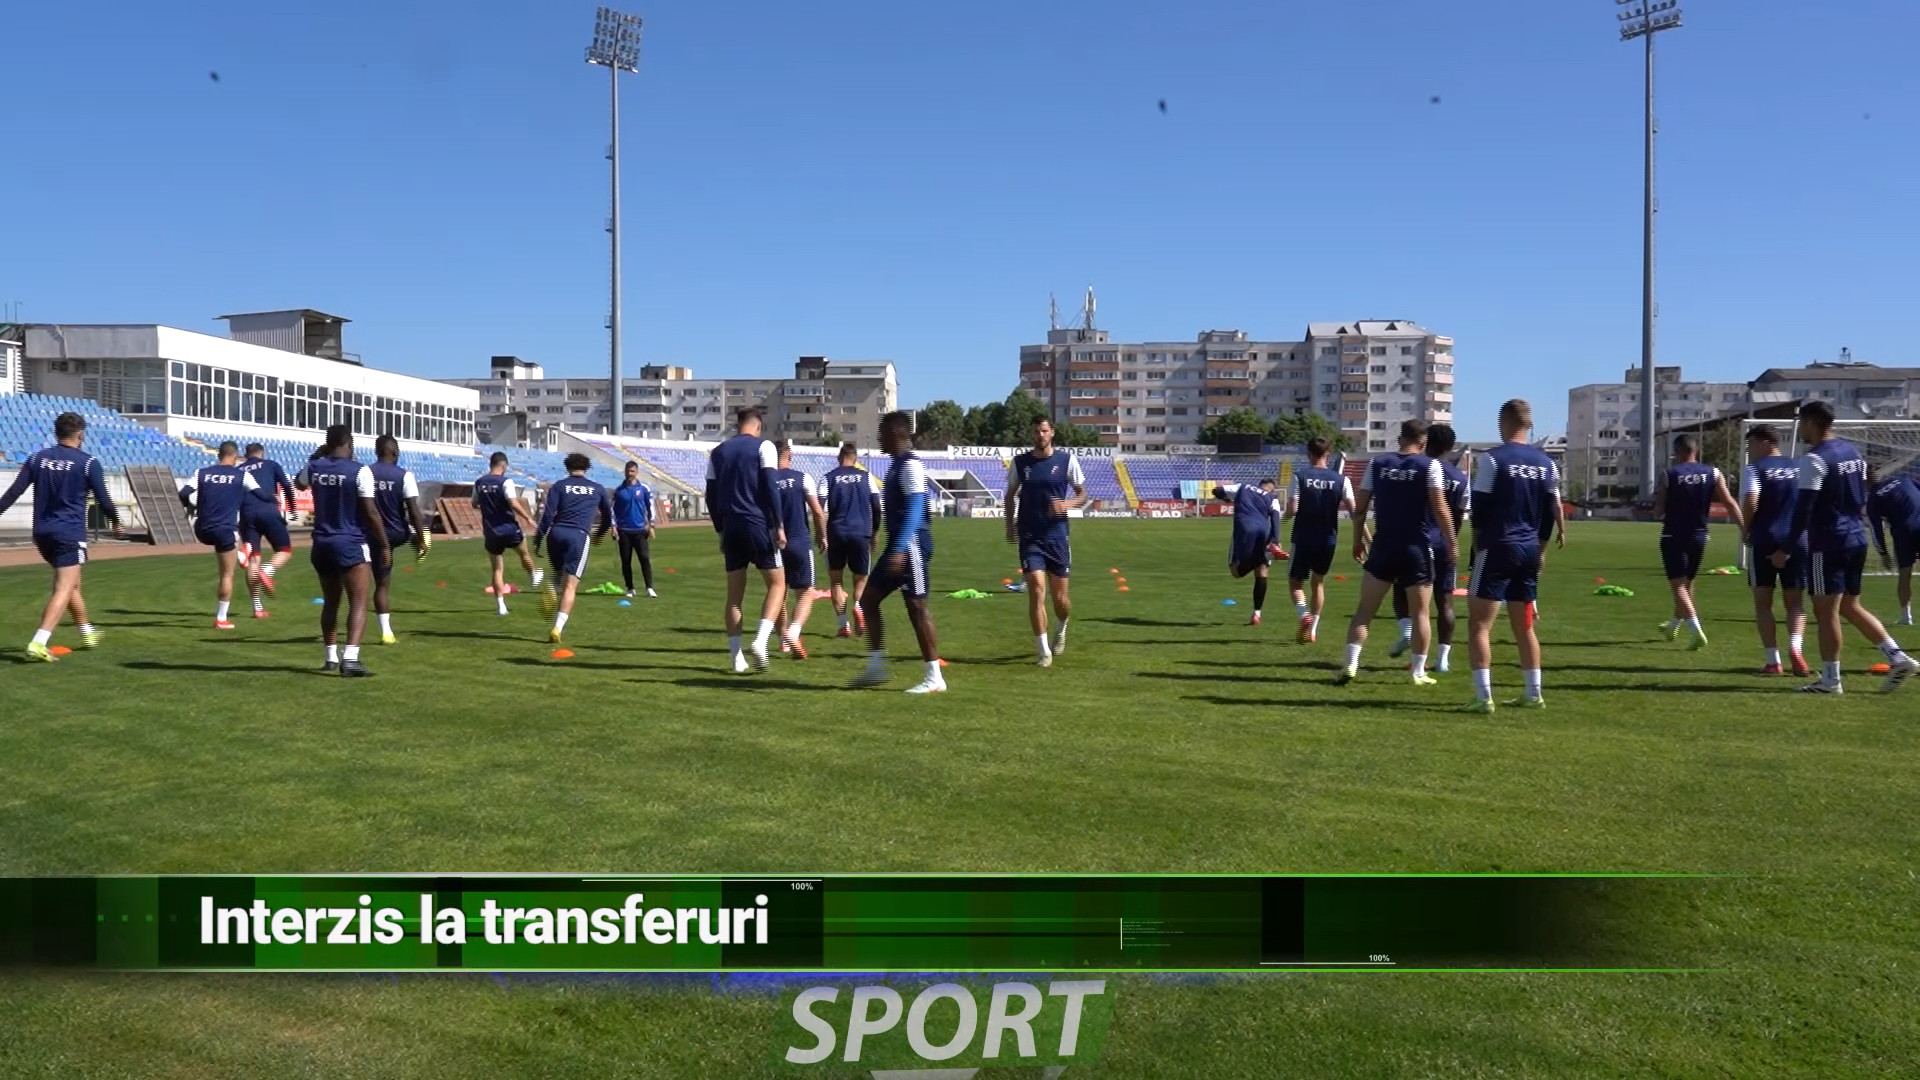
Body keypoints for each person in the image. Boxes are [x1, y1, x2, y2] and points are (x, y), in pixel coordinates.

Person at [1787, 401, 1917, 693]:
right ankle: (1897, 657)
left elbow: (1804, 508)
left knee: (1825, 611)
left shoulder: (1815, 459)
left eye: (1802, 423)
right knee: (1849, 605)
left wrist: (1787, 545)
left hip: (1828, 542)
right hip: (1856, 537)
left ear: (1811, 423)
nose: (1801, 430)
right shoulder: (1852, 451)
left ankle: (1830, 680)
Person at [1460, 399, 1565, 713]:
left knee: (1479, 625)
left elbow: (1479, 510)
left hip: (1498, 546)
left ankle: (1483, 698)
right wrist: (1541, 549)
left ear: (1503, 423)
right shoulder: (1547, 464)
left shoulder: (1492, 459)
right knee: (1525, 626)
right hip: (1530, 548)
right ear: (1529, 425)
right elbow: (1550, 512)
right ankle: (1533, 693)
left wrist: (1477, 546)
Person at [1336, 419, 1456, 686]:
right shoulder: (1430, 465)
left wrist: (1358, 541)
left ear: (1400, 439)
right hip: (1416, 548)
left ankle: (1350, 664)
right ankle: (1418, 672)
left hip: (1383, 546)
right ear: (1423, 443)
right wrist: (1452, 544)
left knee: (1364, 611)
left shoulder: (1377, 464)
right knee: (1421, 614)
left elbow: (1360, 509)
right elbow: (1440, 509)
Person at [0, 411, 122, 661]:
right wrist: (116, 521)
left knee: (72, 584)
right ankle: (39, 641)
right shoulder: (88, 462)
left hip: (42, 532)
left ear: (56, 433)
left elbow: (13, 492)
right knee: (64, 587)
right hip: (69, 532)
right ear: (81, 435)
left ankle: (87, 632)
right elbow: (104, 498)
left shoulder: (37, 458)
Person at [852, 411, 945, 693]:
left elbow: (916, 506)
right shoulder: (896, 465)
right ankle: (876, 667)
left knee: (916, 605)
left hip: (911, 543)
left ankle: (934, 677)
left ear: (894, 434)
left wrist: (902, 546)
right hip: (900, 544)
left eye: (881, 434)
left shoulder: (910, 465)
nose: (878, 439)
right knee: (868, 600)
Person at [297, 424, 389, 677]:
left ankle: (330, 657)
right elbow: (370, 512)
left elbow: (298, 483)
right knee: (358, 601)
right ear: (349, 443)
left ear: (327, 444)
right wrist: (383, 543)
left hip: (321, 543)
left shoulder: (314, 467)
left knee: (331, 602)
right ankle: (350, 659)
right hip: (350, 541)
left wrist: (316, 457)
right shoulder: (360, 471)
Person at [706, 406, 787, 673]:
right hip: (757, 523)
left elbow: (710, 496)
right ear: (758, 426)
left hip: (731, 527)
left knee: (734, 596)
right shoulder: (764, 446)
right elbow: (771, 487)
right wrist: (779, 525)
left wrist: (720, 529)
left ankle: (736, 657)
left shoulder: (718, 452)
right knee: (777, 584)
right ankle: (761, 641)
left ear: (737, 425)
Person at [1005, 417, 1088, 667]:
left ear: (1052, 432)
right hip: (1030, 536)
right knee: (1037, 590)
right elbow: (1010, 495)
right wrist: (1009, 526)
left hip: (1057, 537)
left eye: (1044, 431)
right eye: (1036, 431)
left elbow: (1083, 494)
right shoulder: (1020, 463)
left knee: (1060, 599)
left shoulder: (1066, 461)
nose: (1040, 435)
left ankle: (1061, 626)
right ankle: (1043, 651)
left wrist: (1067, 504)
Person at [1387, 424, 1470, 671]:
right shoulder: (1461, 479)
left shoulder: (1417, 470)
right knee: (1444, 603)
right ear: (1450, 447)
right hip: (1444, 544)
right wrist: (1451, 541)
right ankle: (1443, 659)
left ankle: (1407, 632)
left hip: (1416, 541)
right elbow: (1458, 517)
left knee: (1401, 591)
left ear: (1425, 442)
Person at [1652, 434, 1744, 650]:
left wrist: (1661, 507)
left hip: (1673, 534)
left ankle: (1696, 630)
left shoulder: (1668, 474)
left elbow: (1658, 510)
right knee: (1687, 583)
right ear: (1696, 450)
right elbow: (1729, 502)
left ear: (1676, 452)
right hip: (1699, 535)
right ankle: (1673, 625)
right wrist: (1744, 528)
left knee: (1677, 584)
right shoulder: (1713, 473)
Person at [1739, 426, 1809, 676]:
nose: (1749, 451)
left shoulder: (1755, 469)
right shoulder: (1800, 467)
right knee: (1795, 602)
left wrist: (1746, 529)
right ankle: (1796, 648)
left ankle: (1773, 660)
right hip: (1797, 539)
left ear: (1764, 442)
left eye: (1750, 445)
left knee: (1763, 603)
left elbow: (1751, 500)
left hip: (1765, 537)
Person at [532, 453, 614, 645]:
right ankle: (557, 628)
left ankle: (552, 588)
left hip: (556, 534)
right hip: (578, 536)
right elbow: (608, 517)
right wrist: (600, 534)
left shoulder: (559, 486)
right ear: (587, 468)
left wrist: (538, 539)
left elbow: (547, 515)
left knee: (559, 575)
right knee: (571, 585)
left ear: (567, 467)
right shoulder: (597, 488)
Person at [179, 441, 260, 630]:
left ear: (219, 455)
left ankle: (240, 554)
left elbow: (183, 493)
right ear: (235, 456)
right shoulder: (241, 475)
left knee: (226, 542)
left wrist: (190, 506)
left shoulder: (202, 473)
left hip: (202, 529)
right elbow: (260, 494)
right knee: (226, 575)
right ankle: (221, 618)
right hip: (225, 530)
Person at [1283, 437, 1354, 644]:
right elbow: (1354, 511)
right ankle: (1312, 630)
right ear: (1328, 454)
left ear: (1309, 454)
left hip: (1303, 537)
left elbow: (1292, 509)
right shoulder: (1342, 480)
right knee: (1318, 582)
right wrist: (1364, 537)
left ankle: (1303, 615)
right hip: (1328, 538)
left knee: (1296, 583)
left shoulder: (1300, 476)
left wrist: (1281, 520)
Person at [369, 435, 430, 645]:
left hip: (371, 535)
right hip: (396, 533)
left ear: (377, 452)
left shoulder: (365, 472)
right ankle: (418, 544)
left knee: (379, 583)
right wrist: (421, 538)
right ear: (395, 452)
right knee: (383, 584)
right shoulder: (404, 476)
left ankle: (386, 632)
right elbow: (414, 511)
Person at [771, 440, 828, 658]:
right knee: (805, 592)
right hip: (799, 542)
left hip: (774, 543)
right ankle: (793, 633)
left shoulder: (764, 480)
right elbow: (817, 511)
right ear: (789, 456)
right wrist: (822, 535)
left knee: (778, 593)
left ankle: (783, 641)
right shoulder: (802, 478)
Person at [822, 442, 883, 638]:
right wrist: (875, 531)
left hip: (836, 533)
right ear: (855, 459)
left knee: (836, 580)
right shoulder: (867, 477)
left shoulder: (828, 478)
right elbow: (876, 506)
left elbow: (820, 509)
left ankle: (843, 625)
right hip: (861, 533)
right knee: (860, 579)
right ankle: (858, 606)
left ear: (839, 457)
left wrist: (821, 534)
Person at [472, 452, 543, 616]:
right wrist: (528, 518)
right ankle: (533, 575)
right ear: (503, 466)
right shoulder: (506, 482)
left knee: (497, 569)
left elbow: (474, 504)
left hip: (491, 530)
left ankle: (501, 606)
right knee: (524, 553)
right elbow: (513, 503)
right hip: (509, 527)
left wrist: (488, 505)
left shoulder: (479, 482)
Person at [237, 442, 297, 617]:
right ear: (262, 453)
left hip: (247, 514)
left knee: (253, 559)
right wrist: (292, 507)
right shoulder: (271, 464)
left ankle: (257, 608)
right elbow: (287, 485)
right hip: (268, 510)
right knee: (285, 551)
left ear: (246, 455)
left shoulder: (239, 470)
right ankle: (267, 571)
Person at [1213, 478, 1282, 625]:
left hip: (1245, 529)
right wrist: (1275, 540)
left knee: (1236, 572)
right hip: (1264, 532)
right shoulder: (1272, 498)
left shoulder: (1243, 487)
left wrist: (1225, 498)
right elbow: (1276, 518)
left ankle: (1260, 557)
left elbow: (1217, 491)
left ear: (1260, 484)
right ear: (1271, 488)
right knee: (1262, 571)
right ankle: (1257, 614)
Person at [1866, 468, 1920, 627]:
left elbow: (1876, 530)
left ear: (1865, 481)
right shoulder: (1904, 479)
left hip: (1903, 533)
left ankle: (1906, 617)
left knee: (1905, 574)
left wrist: (1883, 553)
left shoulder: (1873, 499)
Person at [610, 461, 658, 599]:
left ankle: (649, 588)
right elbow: (612, 510)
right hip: (623, 530)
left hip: (640, 530)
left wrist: (651, 525)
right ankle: (630, 588)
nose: (629, 473)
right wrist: (613, 527)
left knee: (644, 558)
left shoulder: (644, 489)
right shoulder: (619, 490)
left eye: (632, 471)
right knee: (626, 561)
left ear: (636, 472)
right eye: (627, 471)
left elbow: (650, 507)